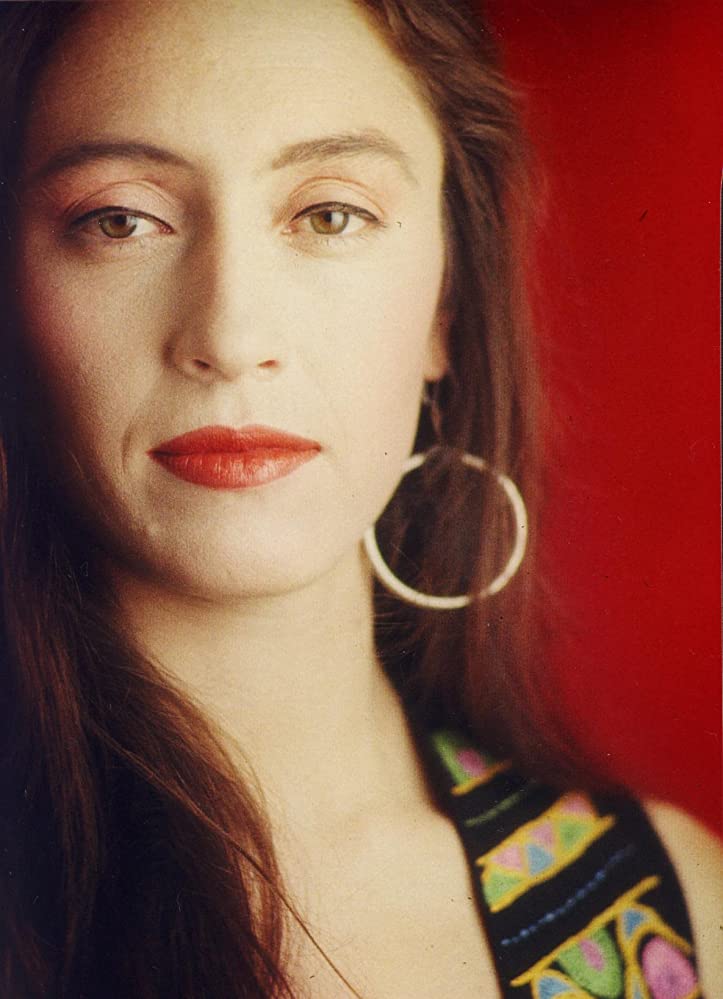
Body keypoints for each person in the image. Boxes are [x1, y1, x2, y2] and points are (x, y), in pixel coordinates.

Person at [0, 1, 719, 996]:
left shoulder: (671, 910)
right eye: (119, 219)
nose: (231, 335)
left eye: (329, 214)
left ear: (446, 307)